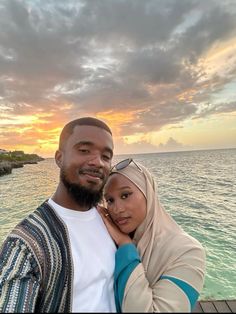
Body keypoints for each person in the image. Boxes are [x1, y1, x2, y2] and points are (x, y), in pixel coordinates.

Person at [0, 117, 117, 313]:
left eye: (106, 156)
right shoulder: (26, 244)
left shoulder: (111, 218)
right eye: (84, 150)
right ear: (59, 158)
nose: (98, 162)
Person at [98, 158, 206, 312]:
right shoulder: (109, 242)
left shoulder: (188, 251)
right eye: (110, 200)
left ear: (148, 193)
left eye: (125, 195)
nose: (117, 209)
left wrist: (125, 245)